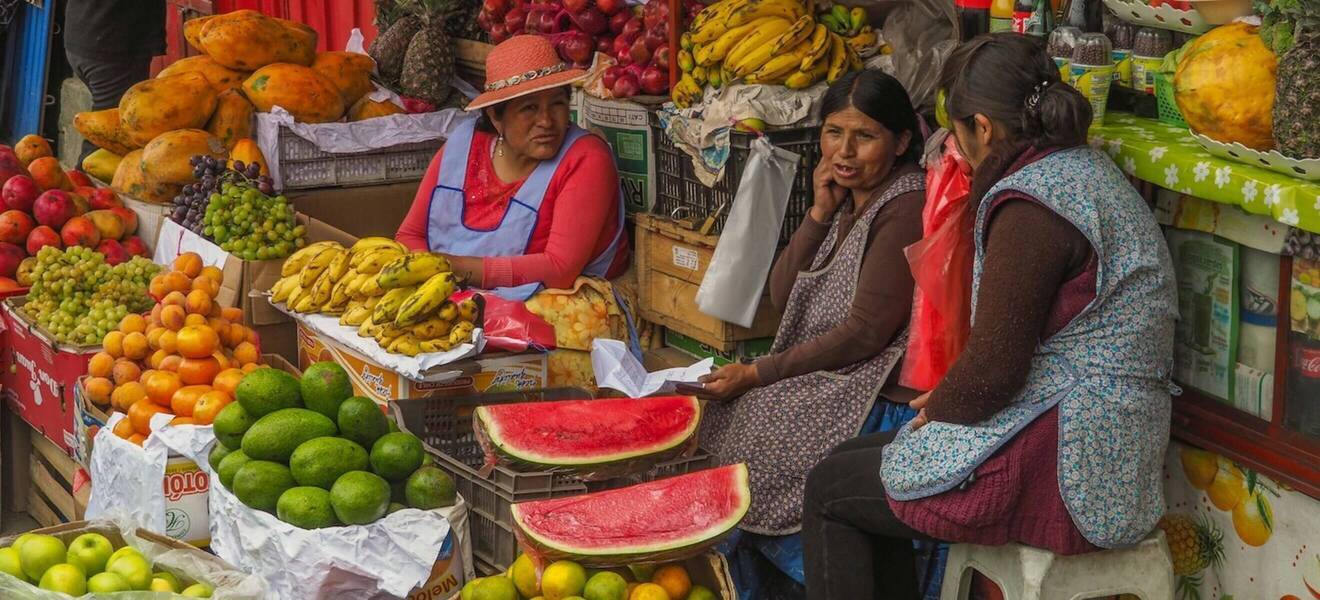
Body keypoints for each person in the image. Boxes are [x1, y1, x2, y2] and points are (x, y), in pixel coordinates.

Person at [801, 33, 1178, 599]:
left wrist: (945, 403)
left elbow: (996, 370)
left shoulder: (1034, 207)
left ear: (981, 128)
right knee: (850, 463)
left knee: (831, 490)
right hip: (1098, 432)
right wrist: (949, 400)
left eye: (955, 133)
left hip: (1076, 460)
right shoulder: (1076, 170)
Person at [691, 69, 926, 543]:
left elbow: (866, 333)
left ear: (901, 142)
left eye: (865, 136)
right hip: (829, 366)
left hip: (870, 381)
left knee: (762, 443)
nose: (845, 151)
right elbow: (782, 294)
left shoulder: (904, 205)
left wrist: (760, 373)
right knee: (720, 419)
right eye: (833, 133)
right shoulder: (846, 196)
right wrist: (818, 213)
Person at [395, 35, 628, 301]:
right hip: (450, 292)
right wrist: (432, 277)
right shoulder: (463, 146)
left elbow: (559, 270)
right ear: (496, 117)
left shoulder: (586, 158)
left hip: (547, 306)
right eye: (529, 108)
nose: (546, 121)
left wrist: (453, 269)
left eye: (557, 104)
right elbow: (410, 234)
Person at [64, 0, 165, 164]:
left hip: (85, 36)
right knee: (104, 146)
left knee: (108, 134)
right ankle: (83, 187)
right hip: (109, 45)